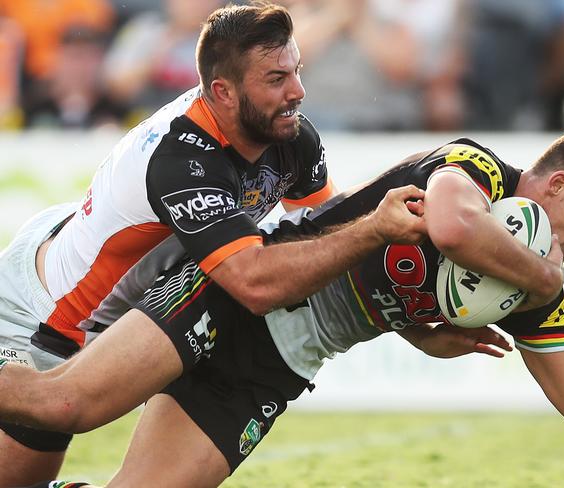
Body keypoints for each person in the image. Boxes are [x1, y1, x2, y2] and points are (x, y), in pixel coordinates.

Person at [4, 124, 564, 486]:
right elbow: (451, 228)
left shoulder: (525, 281)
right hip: (240, 294)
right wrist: (543, 281)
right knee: (66, 402)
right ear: (557, 184)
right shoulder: (477, 170)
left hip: (277, 369)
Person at [0, 4, 430, 487]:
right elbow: (254, 282)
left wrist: (412, 327)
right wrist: (377, 227)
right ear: (223, 92)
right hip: (50, 318)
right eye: (275, 79)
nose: (297, 92)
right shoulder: (181, 157)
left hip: (145, 305)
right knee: (53, 424)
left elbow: (328, 235)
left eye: (296, 72)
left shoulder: (288, 133)